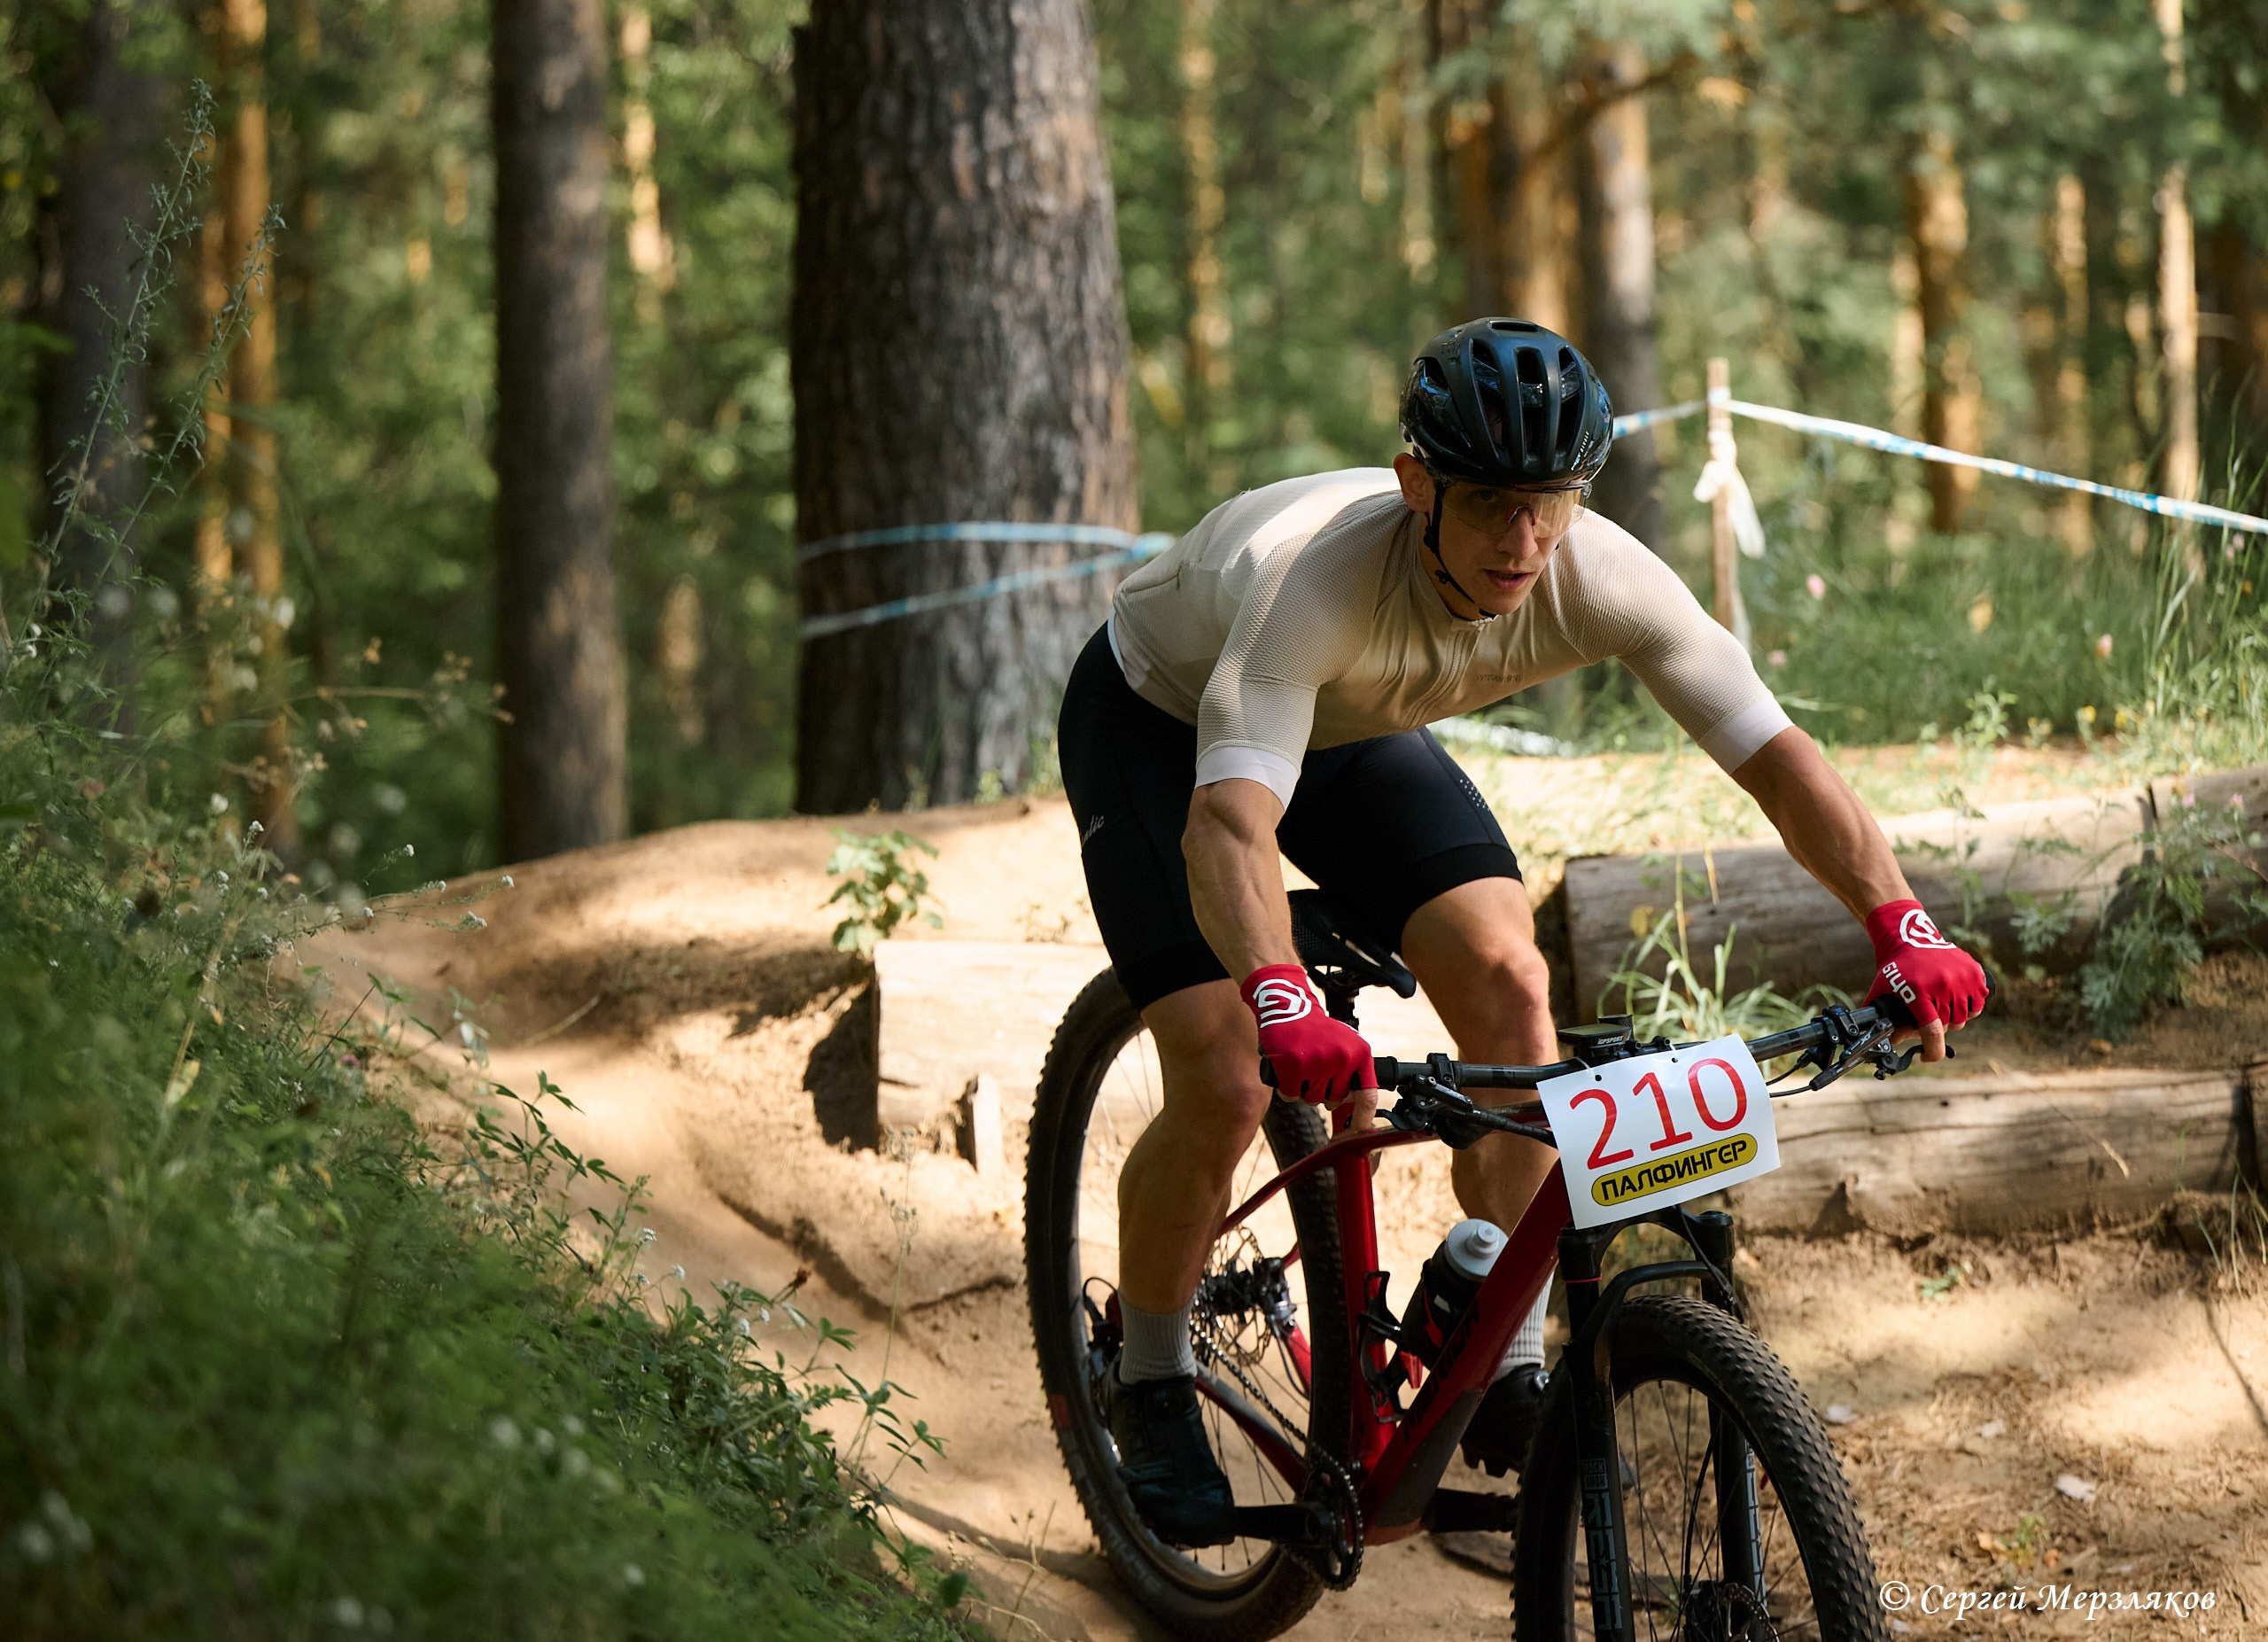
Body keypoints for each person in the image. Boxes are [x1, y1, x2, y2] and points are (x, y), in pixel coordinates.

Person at [1054, 317, 1990, 1548]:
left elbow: (1778, 759)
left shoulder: (1599, 572)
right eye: (1493, 501)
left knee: (1511, 981)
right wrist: (1278, 990)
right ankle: (1153, 1373)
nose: (1524, 539)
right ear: (1416, 486)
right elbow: (1227, 827)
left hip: (1354, 727)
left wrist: (1900, 920)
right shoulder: (1312, 582)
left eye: (1552, 501)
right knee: (1229, 1073)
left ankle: (1488, 1310)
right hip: (1164, 723)